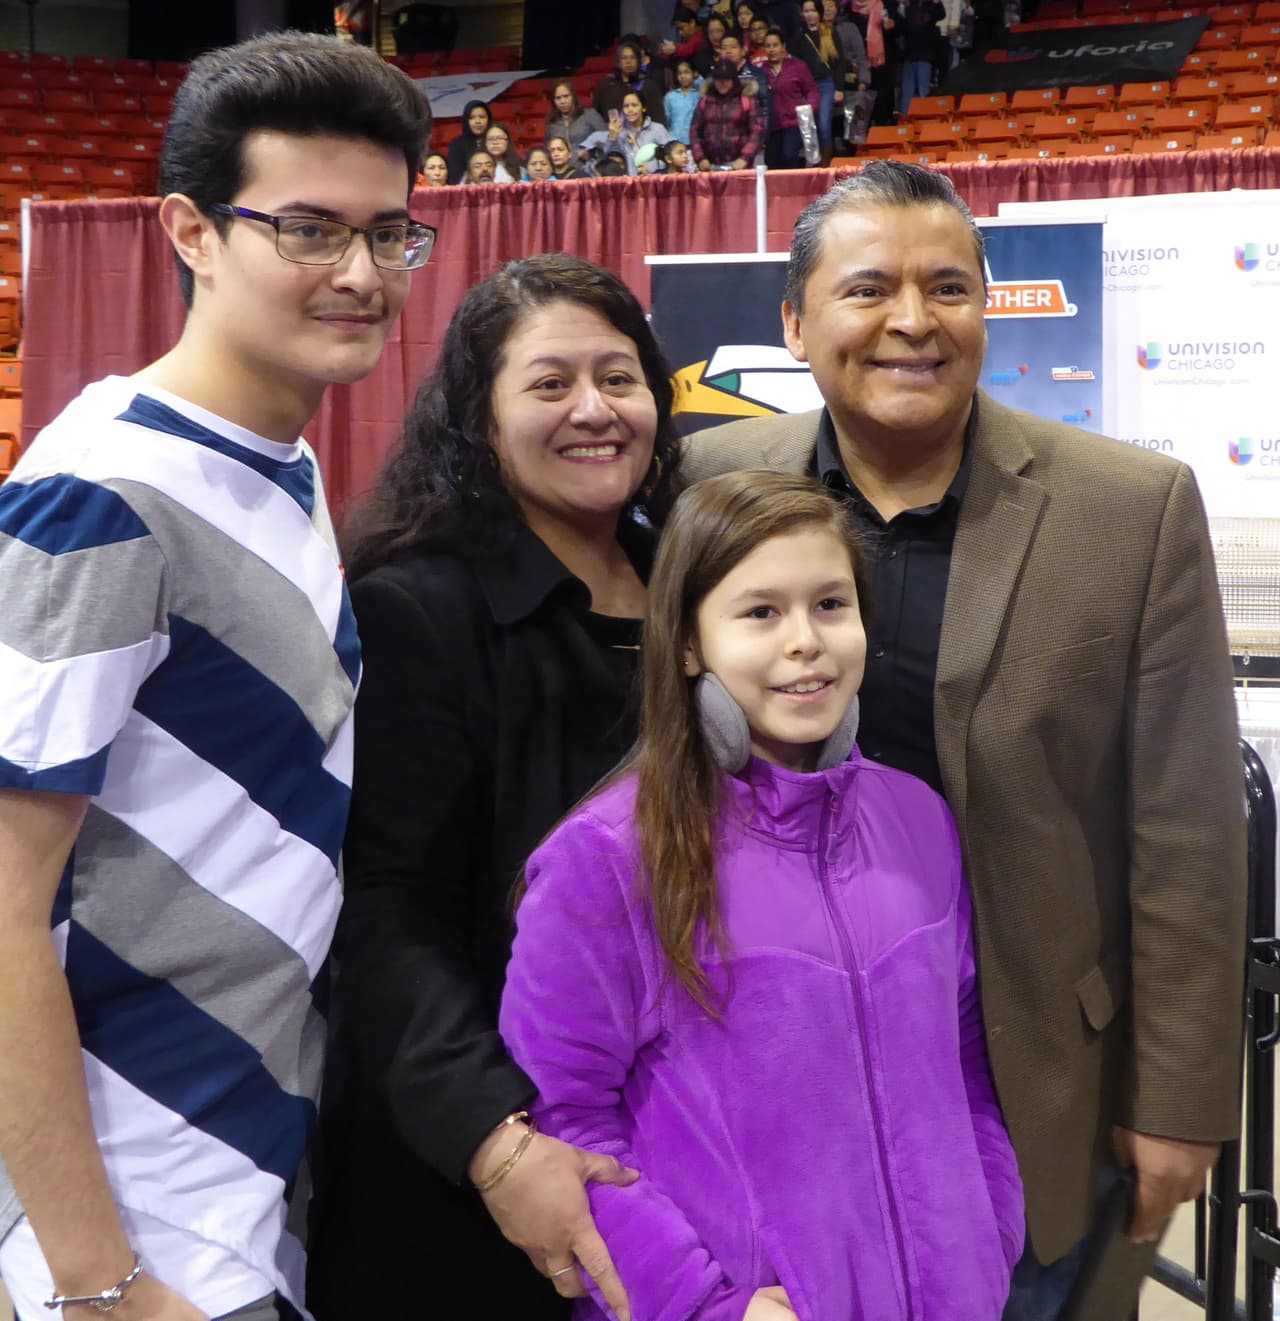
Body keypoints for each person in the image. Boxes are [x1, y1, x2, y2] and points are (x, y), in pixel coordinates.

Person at [681, 162, 1247, 1321]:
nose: (911, 321)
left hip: (1029, 1079)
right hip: (771, 1067)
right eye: (867, 289)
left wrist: (1180, 1098)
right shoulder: (711, 483)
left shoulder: (1127, 509)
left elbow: (1186, 829)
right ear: (792, 322)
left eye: (947, 288)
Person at [0, 29, 433, 1321]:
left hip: (248, 1178)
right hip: (133, 1216)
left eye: (387, 233)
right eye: (307, 229)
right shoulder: (103, 493)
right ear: (190, 231)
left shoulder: (271, 463)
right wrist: (100, 1281)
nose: (358, 272)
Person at [500, 469, 1025, 1321]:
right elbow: (564, 1123)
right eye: (761, 612)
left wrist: (987, 1240)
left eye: (830, 604)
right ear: (686, 643)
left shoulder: (920, 819)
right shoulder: (604, 859)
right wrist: (705, 1305)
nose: (805, 641)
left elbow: (963, 1064)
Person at [307, 253, 683, 1321]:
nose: (594, 410)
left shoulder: (692, 581)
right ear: (480, 420)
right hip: (484, 1166)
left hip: (668, 1138)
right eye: (550, 383)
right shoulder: (417, 609)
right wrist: (496, 1141)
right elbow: (389, 912)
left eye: (618, 378)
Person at [690, 57, 766, 170]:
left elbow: (757, 131)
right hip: (710, 166)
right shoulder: (705, 101)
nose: (722, 83)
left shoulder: (746, 100)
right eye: (718, 79)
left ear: (733, 79)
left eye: (726, 79)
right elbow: (695, 131)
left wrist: (745, 157)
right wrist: (700, 158)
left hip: (740, 165)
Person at [793, 0, 846, 161]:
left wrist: (839, 88)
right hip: (806, 87)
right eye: (806, 11)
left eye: (813, 11)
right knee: (808, 125)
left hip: (826, 83)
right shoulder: (799, 36)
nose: (810, 14)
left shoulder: (830, 32)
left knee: (824, 124)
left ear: (819, 12)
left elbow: (840, 62)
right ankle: (812, 161)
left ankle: (826, 162)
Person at [761, 27, 820, 168]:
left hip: (795, 123)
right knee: (771, 162)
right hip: (772, 126)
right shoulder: (761, 71)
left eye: (775, 45)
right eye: (768, 46)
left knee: (789, 155)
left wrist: (808, 110)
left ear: (783, 47)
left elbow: (812, 91)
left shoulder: (798, 66)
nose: (771, 49)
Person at [580, 91, 671, 175]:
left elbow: (670, 155)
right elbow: (609, 159)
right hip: (627, 182)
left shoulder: (657, 129)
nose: (630, 109)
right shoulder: (620, 132)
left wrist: (652, 166)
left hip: (652, 180)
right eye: (626, 106)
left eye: (634, 105)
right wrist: (613, 135)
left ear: (643, 108)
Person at [846, 0, 899, 124]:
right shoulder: (849, 9)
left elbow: (900, 29)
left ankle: (883, 126)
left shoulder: (885, 4)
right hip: (858, 63)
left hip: (881, 61)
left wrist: (891, 28)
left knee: (882, 98)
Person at [595, 40, 668, 126]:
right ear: (618, 62)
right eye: (624, 58)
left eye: (632, 57)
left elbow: (659, 119)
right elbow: (596, 113)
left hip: (642, 133)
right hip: (612, 132)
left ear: (638, 61)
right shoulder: (607, 83)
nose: (628, 61)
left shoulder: (648, 85)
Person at [898, 0, 945, 115]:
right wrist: (902, 8)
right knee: (907, 91)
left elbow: (941, 14)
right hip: (909, 54)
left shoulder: (930, 5)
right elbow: (901, 26)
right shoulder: (908, 5)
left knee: (924, 90)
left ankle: (925, 117)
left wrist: (937, 3)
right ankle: (905, 118)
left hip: (925, 55)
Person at [720, 32, 773, 130]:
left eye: (733, 47)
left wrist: (761, 136)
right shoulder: (714, 78)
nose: (728, 51)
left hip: (750, 132)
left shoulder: (757, 75)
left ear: (743, 51)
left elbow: (765, 109)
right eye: (724, 48)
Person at [545, 80, 607, 151]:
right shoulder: (552, 124)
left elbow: (606, 140)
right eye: (558, 98)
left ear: (573, 97)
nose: (562, 101)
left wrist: (589, 150)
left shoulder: (589, 114)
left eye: (566, 96)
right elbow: (548, 149)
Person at [447, 98, 493, 183]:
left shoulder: (495, 141)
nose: (477, 121)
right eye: (472, 118)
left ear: (488, 119)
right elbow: (454, 178)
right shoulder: (457, 145)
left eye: (482, 117)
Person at [663, 59, 703, 144]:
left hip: (695, 142)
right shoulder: (670, 96)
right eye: (679, 73)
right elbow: (666, 120)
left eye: (686, 72)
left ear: (694, 74)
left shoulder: (700, 96)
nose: (683, 76)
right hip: (674, 141)